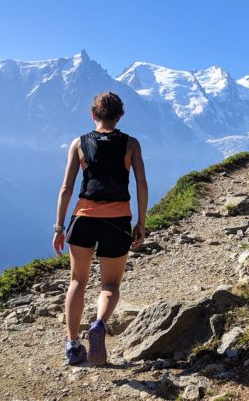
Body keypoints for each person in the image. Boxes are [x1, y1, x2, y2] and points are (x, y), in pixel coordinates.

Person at [52, 91, 148, 365]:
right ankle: (99, 325)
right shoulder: (131, 145)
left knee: (77, 281)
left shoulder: (79, 144)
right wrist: (141, 221)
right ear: (119, 116)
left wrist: (59, 226)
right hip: (117, 220)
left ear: (93, 115)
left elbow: (66, 188)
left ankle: (72, 345)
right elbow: (141, 184)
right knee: (110, 284)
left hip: (83, 217)